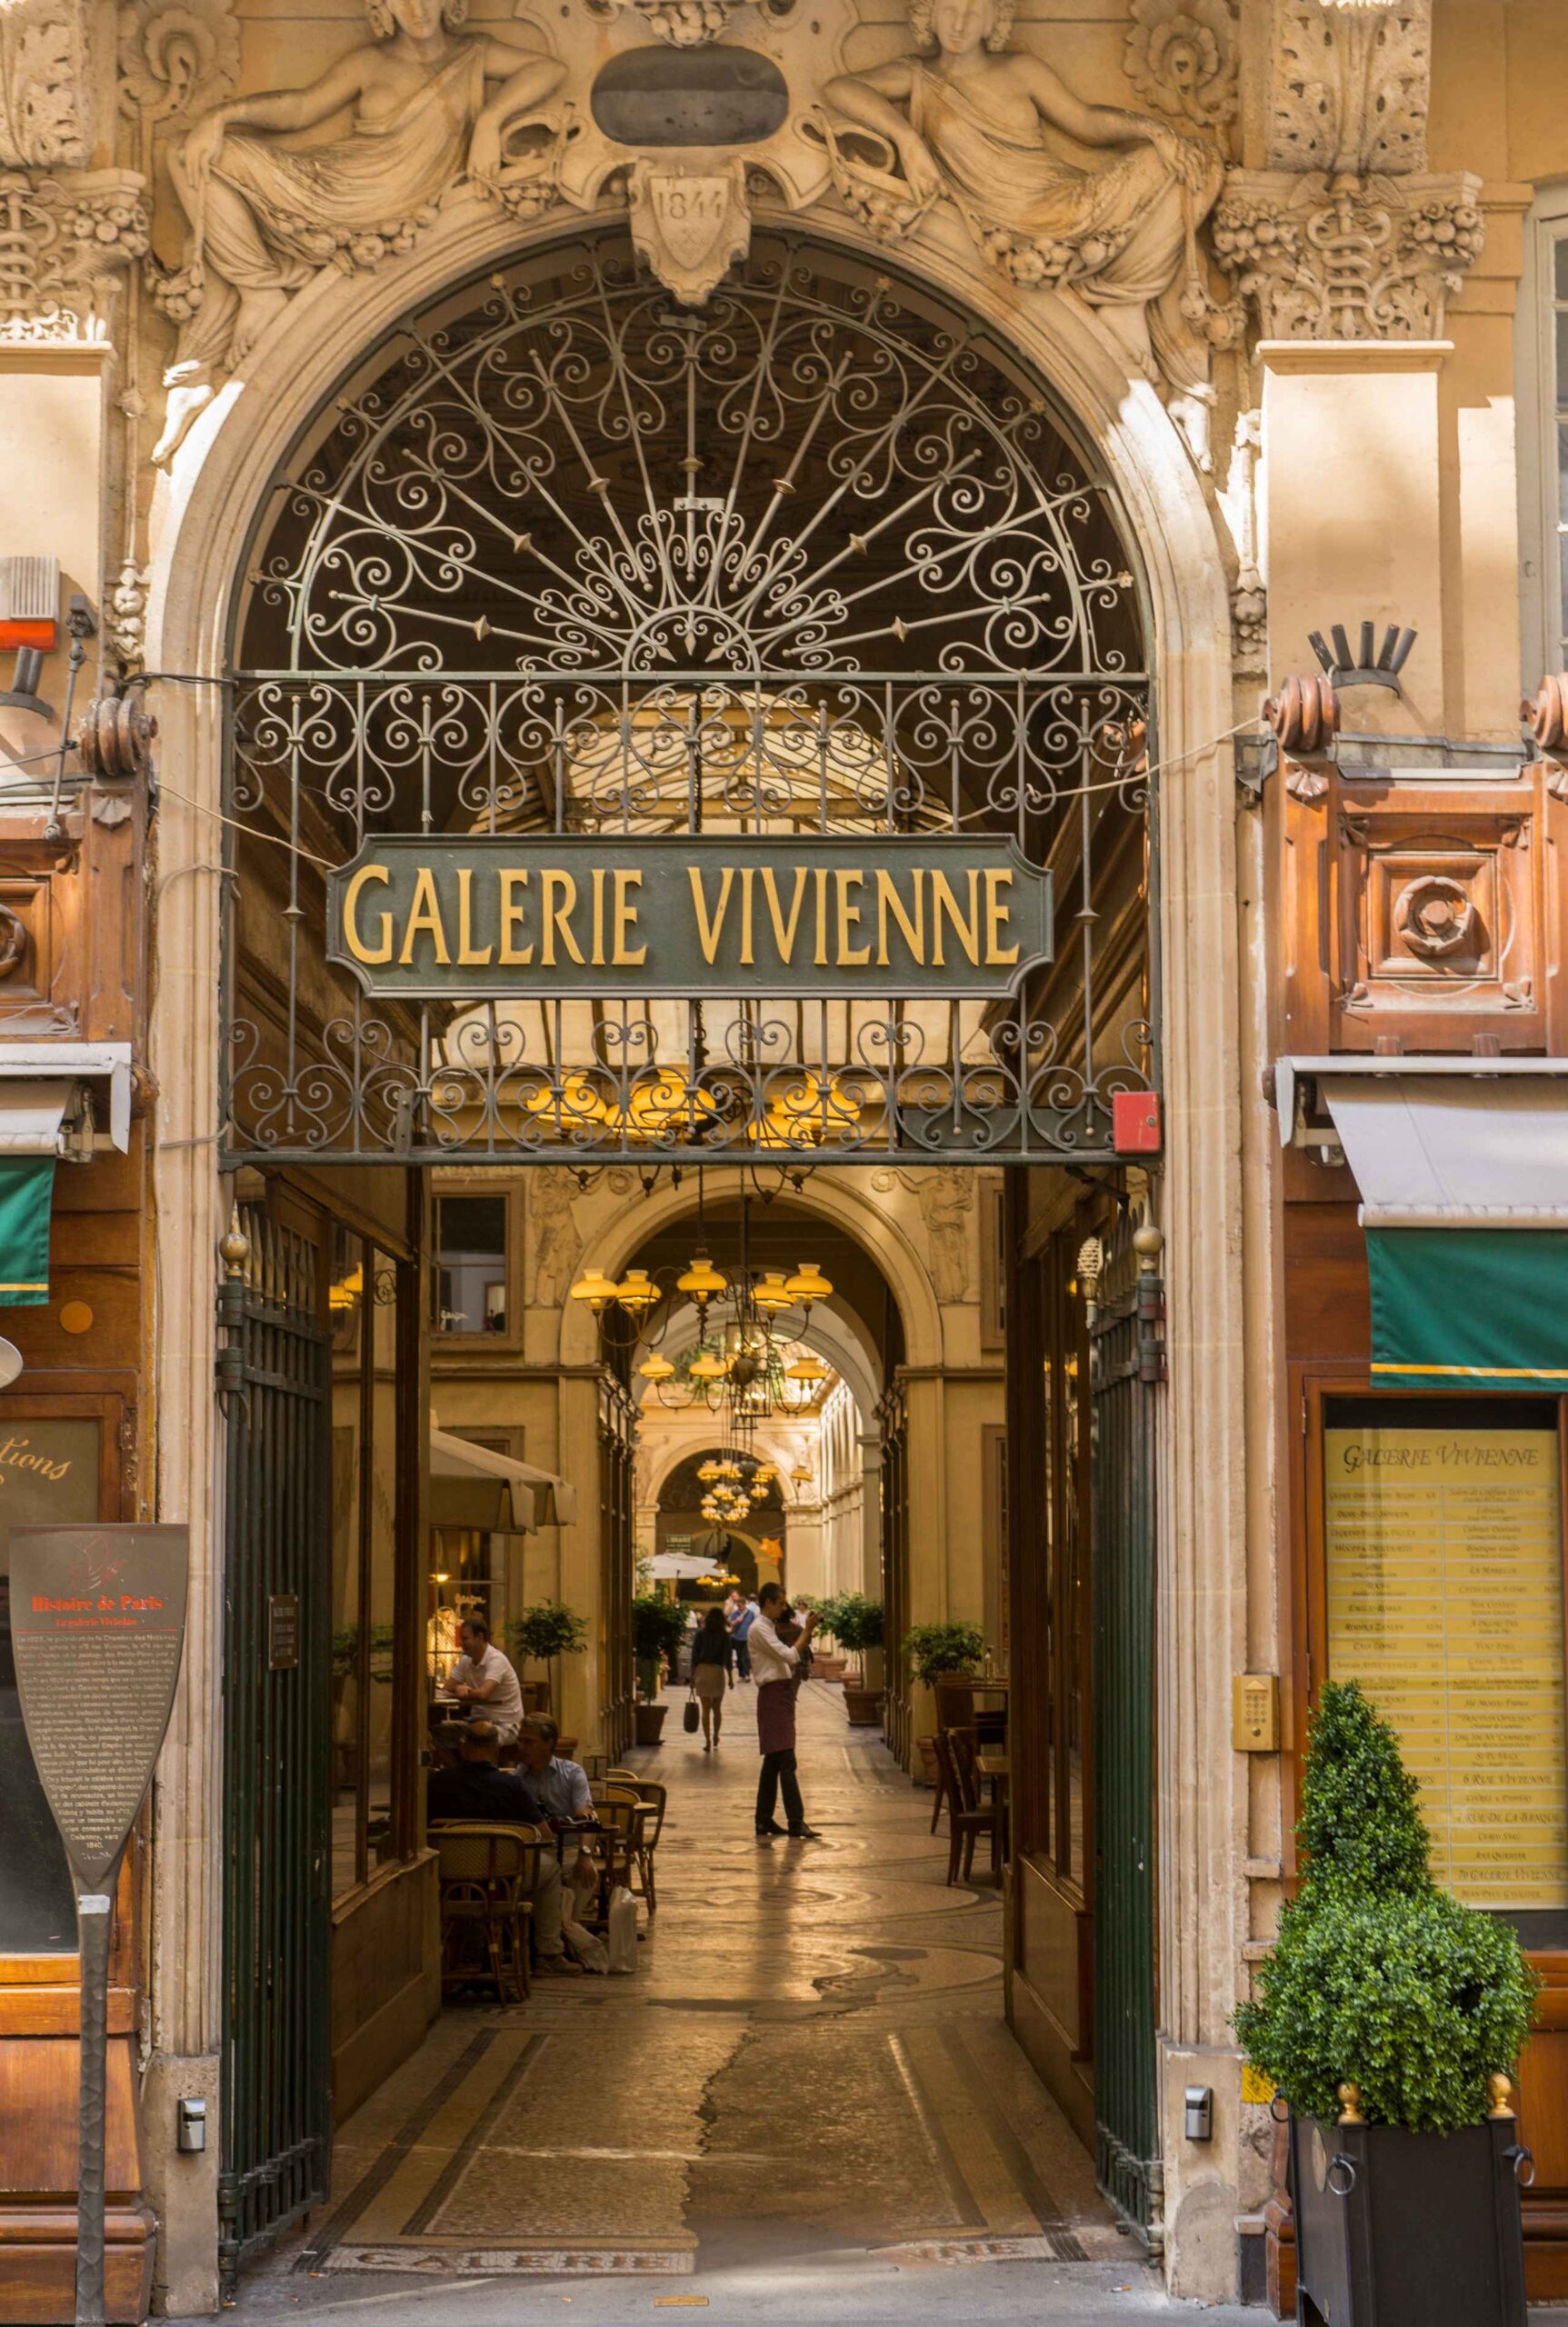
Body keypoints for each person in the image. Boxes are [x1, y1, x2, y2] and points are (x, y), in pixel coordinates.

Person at [425, 1721, 577, 1973]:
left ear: (464, 1748)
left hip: (449, 1881)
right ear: (496, 1748)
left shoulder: (437, 1783)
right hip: (501, 1881)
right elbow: (545, 1835)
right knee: (550, 1871)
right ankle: (548, 1953)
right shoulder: (511, 1786)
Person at [749, 1583, 822, 1843]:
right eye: (780, 1602)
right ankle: (795, 1820)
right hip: (772, 1695)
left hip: (780, 1694)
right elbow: (790, 1656)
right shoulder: (759, 1628)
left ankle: (763, 1818)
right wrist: (808, 1629)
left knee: (773, 1762)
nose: (784, 1607)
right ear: (768, 1602)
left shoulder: (768, 1627)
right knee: (786, 1761)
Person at [448, 1616, 524, 1743]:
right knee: (439, 1732)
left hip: (505, 1726)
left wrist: (465, 1691)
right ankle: (462, 1763)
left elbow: (484, 1693)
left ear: (480, 1637)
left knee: (475, 1738)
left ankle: (472, 1762)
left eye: (465, 1638)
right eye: (461, 1638)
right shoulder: (466, 1660)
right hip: (477, 1722)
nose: (461, 1643)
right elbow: (447, 1688)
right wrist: (457, 1688)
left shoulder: (496, 1659)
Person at [514, 1713, 593, 1823]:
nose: (522, 1747)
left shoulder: (573, 1773)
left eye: (529, 1742)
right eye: (520, 1741)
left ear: (549, 1743)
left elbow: (585, 1821)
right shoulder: (517, 1776)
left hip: (567, 1838)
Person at [688, 1603, 735, 1750]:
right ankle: (716, 1734)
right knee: (717, 1709)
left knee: (705, 1709)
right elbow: (728, 1658)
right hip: (717, 1672)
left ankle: (707, 1740)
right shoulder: (724, 1635)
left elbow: (694, 1656)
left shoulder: (701, 1634)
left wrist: (692, 1677)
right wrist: (731, 1678)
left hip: (702, 1671)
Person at [730, 1590, 759, 1682]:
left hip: (747, 1638)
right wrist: (737, 1621)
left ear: (745, 1604)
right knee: (739, 1657)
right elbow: (729, 1624)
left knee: (746, 1657)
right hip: (737, 1638)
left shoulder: (750, 1614)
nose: (739, 1607)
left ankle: (747, 1674)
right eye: (738, 1605)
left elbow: (754, 1624)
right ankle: (741, 1675)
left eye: (740, 1605)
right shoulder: (735, 1614)